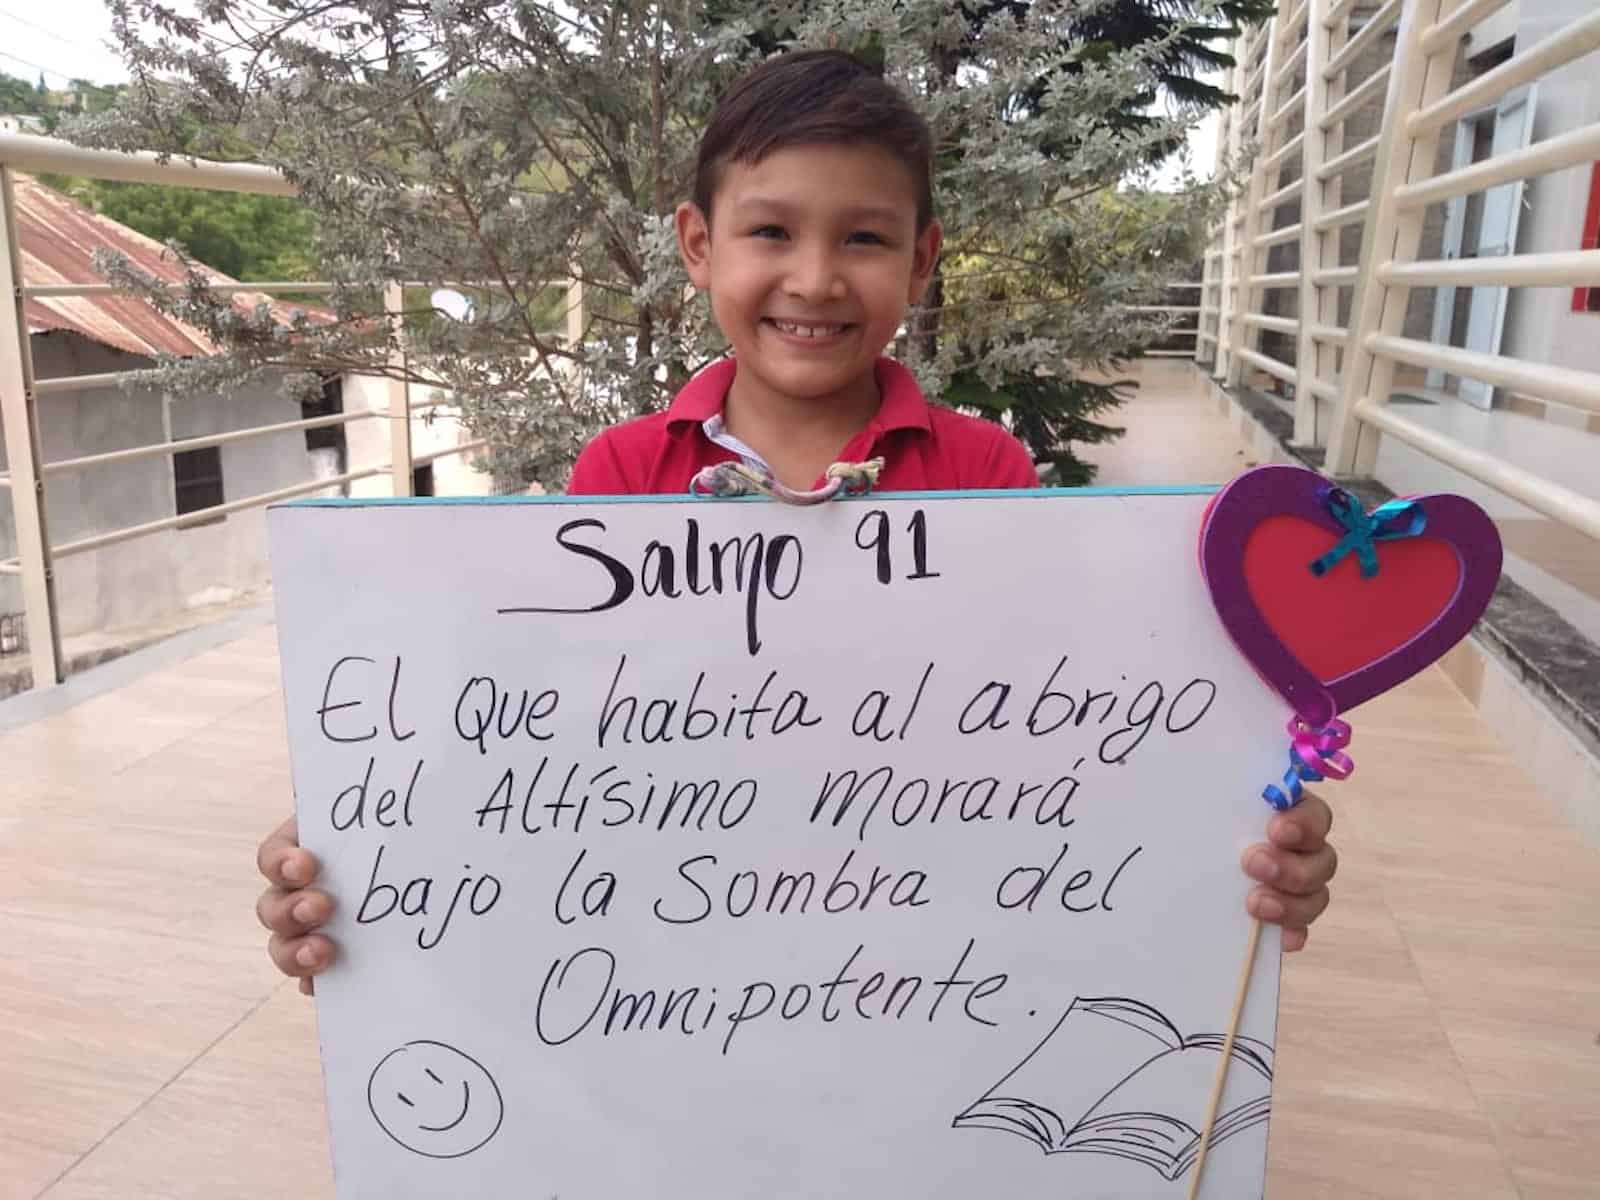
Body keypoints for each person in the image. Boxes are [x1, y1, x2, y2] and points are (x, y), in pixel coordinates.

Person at [256, 50, 1337, 994]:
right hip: (675, 937)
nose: (814, 280)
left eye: (864, 238)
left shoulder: (986, 472)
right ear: (697, 245)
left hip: (926, 931)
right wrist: (370, 840)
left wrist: (1235, 837)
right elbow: (550, 719)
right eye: (769, 230)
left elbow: (1069, 732)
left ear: (920, 259)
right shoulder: (624, 473)